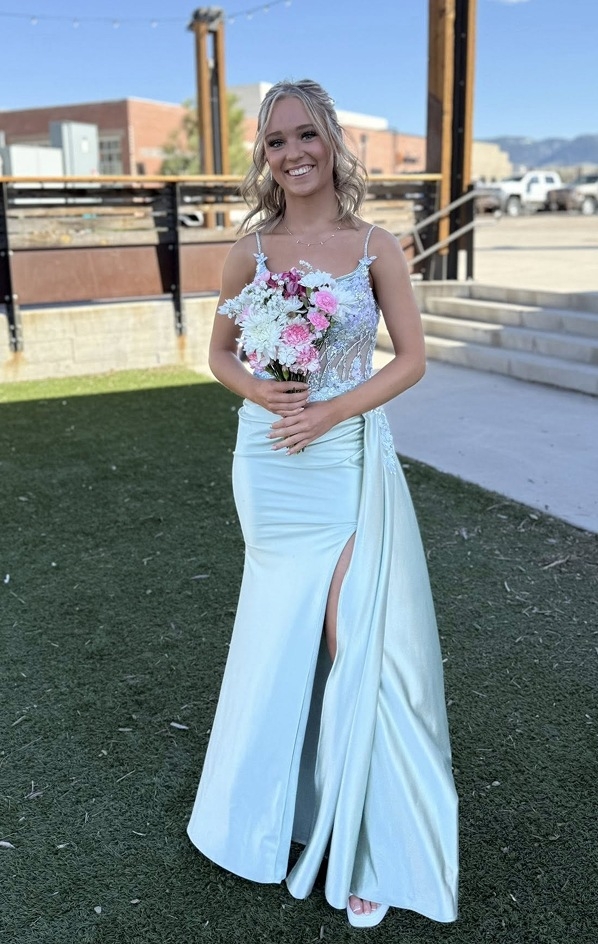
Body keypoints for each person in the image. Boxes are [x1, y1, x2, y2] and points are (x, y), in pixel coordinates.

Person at [187, 78, 458, 929]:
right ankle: (265, 817)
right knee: (279, 635)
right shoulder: (251, 248)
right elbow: (220, 354)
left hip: (342, 456)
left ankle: (359, 841)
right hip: (269, 463)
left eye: (306, 135)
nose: (292, 153)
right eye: (275, 142)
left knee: (356, 643)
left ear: (334, 142)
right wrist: (267, 397)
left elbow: (409, 359)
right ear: (263, 157)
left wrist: (332, 409)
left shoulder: (378, 243)